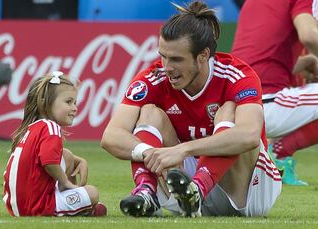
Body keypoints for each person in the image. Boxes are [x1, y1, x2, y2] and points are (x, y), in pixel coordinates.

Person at [101, 1, 281, 217]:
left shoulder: (237, 75)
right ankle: (147, 192)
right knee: (149, 112)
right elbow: (111, 136)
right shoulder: (154, 78)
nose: (167, 67)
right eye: (163, 56)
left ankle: (197, 189)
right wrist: (150, 153)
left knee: (229, 110)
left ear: (203, 56)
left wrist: (184, 149)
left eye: (176, 59)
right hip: (183, 191)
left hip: (246, 191)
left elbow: (250, 135)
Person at [231, 0, 318, 185]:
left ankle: (272, 156)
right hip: (263, 106)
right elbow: (309, 35)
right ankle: (278, 154)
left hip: (234, 107)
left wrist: (300, 63)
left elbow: (254, 58)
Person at [3, 71, 107, 217]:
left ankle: (74, 201)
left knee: (67, 155)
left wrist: (79, 161)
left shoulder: (33, 128)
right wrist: (66, 182)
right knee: (93, 193)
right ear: (47, 103)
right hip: (38, 206)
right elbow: (49, 162)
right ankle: (81, 208)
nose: (74, 108)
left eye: (75, 102)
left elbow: (48, 158)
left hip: (17, 206)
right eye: (68, 102)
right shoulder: (51, 128)